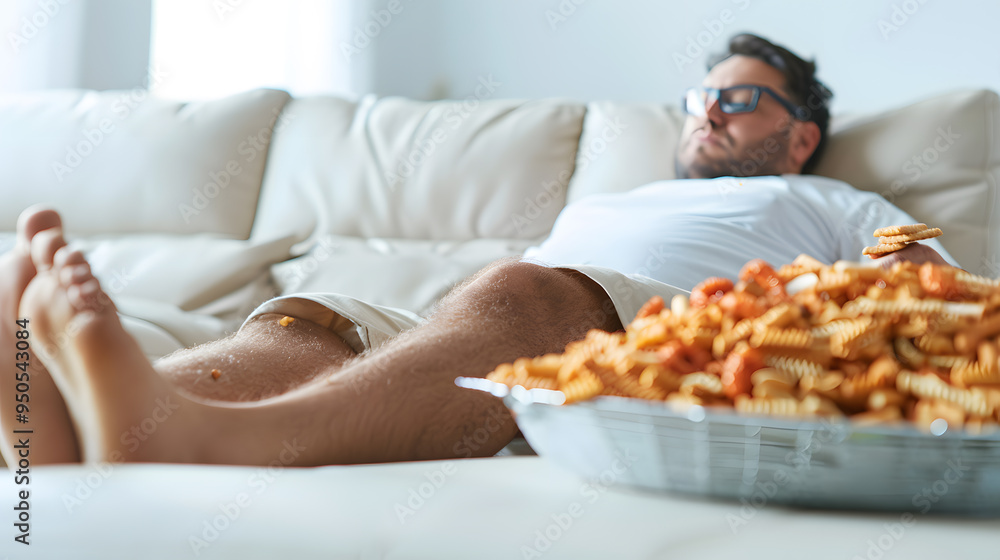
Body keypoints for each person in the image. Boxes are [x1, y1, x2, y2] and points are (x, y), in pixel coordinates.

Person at [0, 34, 953, 467]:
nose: (709, 111)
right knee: (319, 323)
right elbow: (473, 320)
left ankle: (204, 441)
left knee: (526, 293)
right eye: (702, 96)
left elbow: (932, 298)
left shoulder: (833, 198)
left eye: (740, 98)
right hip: (482, 320)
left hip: (646, 331)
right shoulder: (620, 194)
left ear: (798, 136)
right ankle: (97, 432)